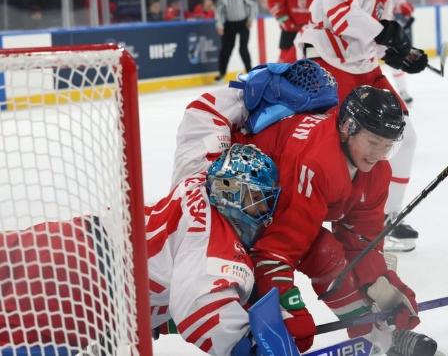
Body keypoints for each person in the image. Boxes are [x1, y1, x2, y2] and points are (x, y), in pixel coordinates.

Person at [171, 62, 429, 354]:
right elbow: (274, 252)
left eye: (387, 146)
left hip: (273, 205)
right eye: (373, 142)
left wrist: (383, 284)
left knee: (326, 253)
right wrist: (287, 310)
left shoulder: (376, 170)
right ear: (347, 128)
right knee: (230, 276)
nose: (379, 154)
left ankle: (378, 334)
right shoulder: (317, 161)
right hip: (237, 200)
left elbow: (361, 241)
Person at [0, 144, 286, 356]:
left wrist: (159, 320)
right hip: (85, 289)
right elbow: (202, 311)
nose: (264, 210)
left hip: (68, 239)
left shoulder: (197, 182)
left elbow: (175, 278)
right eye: (257, 199)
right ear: (233, 194)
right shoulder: (219, 242)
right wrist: (250, 347)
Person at [294, 0, 430, 252]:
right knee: (333, 147)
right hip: (329, 64)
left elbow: (372, 34)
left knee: (405, 136)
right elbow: (339, 17)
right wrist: (385, 33)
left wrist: (400, 53)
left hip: (361, 68)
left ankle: (387, 218)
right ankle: (325, 220)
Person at [215, 0, 258, 81]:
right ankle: (222, 73)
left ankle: (249, 71)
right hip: (229, 25)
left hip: (243, 23)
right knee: (226, 50)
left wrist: (250, 19)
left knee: (243, 48)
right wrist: (219, 25)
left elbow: (253, 5)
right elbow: (218, 13)